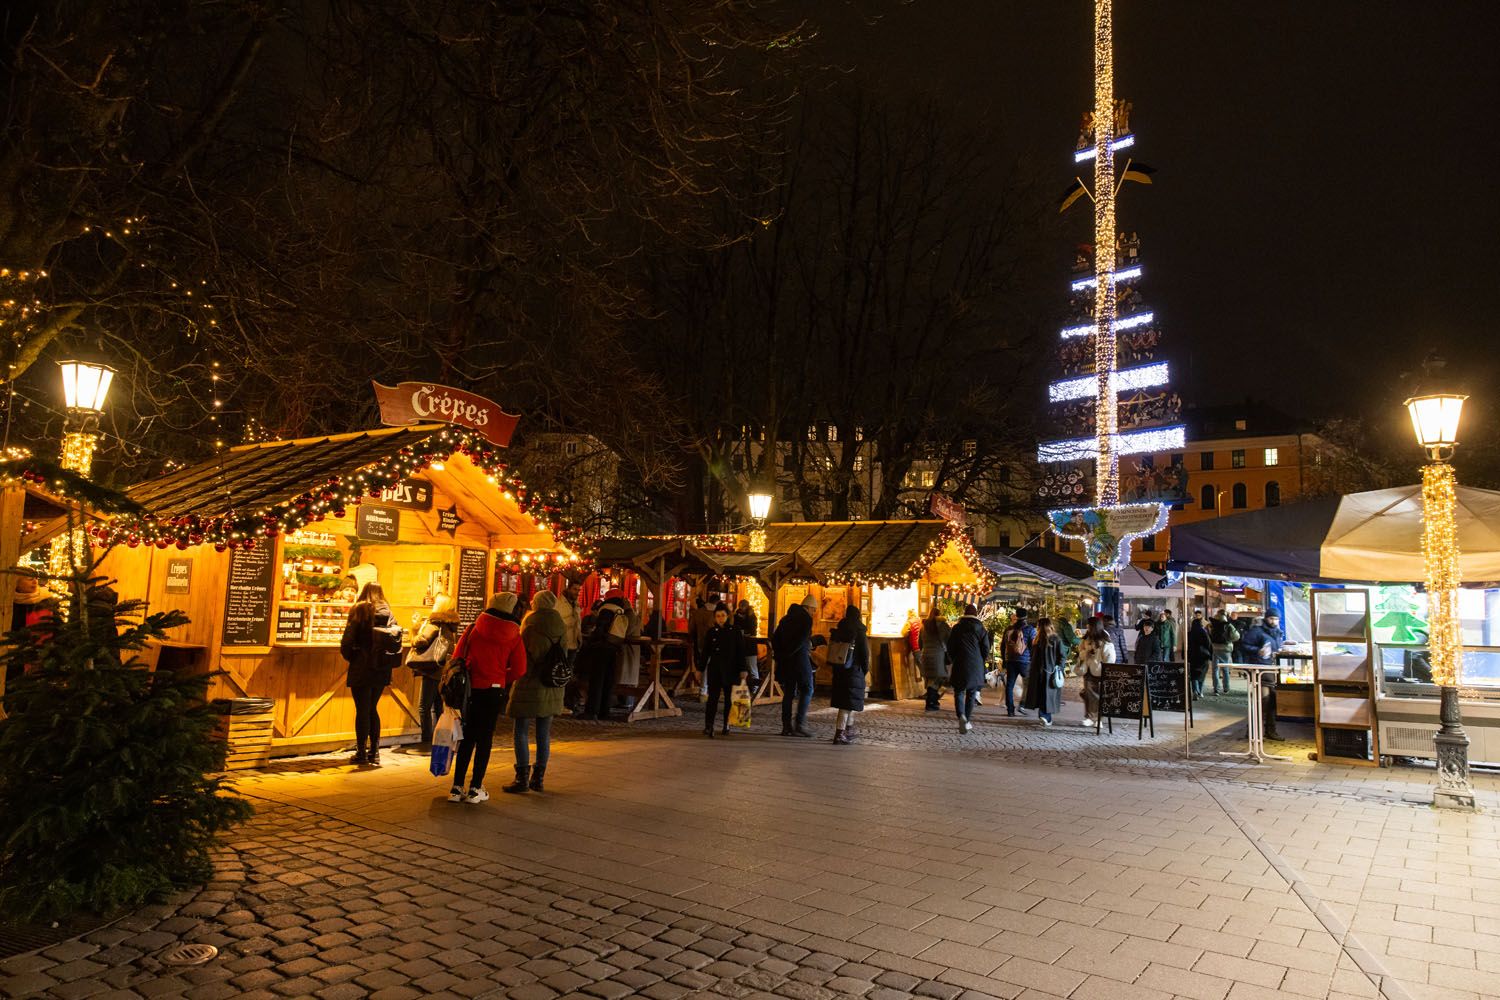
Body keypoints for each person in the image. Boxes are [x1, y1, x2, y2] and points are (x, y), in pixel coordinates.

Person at [449, 593, 526, 803]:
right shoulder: (514, 634)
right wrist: (501, 677)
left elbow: (457, 656)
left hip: (471, 690)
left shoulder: (474, 627)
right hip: (494, 691)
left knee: (467, 737)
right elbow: (520, 669)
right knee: (485, 739)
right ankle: (475, 788)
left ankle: (456, 788)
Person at [505, 591, 566, 793]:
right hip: (552, 684)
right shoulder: (561, 625)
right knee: (543, 733)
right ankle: (538, 778)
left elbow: (521, 655)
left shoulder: (530, 624)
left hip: (530, 683)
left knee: (521, 730)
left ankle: (521, 778)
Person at [340, 582, 396, 766]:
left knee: (362, 709)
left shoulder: (359, 610)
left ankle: (361, 752)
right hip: (382, 667)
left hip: (362, 667)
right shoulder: (388, 612)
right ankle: (375, 752)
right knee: (372, 708)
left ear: (364, 592)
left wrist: (353, 657)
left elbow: (347, 641)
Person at [408, 595, 460, 747]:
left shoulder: (434, 624)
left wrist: (415, 628)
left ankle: (426, 741)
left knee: (424, 707)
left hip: (430, 670)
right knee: (438, 707)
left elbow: (420, 641)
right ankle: (439, 739)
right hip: (441, 670)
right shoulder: (450, 626)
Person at [772, 594, 824, 737]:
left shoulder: (785, 618)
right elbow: (801, 641)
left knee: (789, 692)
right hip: (799, 660)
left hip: (785, 662)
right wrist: (797, 650)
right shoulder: (806, 619)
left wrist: (780, 655)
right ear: (807, 608)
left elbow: (775, 638)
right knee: (808, 688)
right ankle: (800, 724)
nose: (814, 613)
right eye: (813, 610)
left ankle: (786, 726)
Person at [577, 589, 632, 721]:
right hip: (614, 647)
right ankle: (604, 710)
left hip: (601, 647)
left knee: (597, 680)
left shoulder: (606, 609)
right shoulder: (620, 609)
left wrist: (592, 641)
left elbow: (600, 629)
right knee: (608, 680)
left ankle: (592, 710)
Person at [700, 603, 748, 737]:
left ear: (728, 616)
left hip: (731, 669)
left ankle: (726, 724)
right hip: (715, 669)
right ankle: (709, 725)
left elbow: (740, 651)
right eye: (718, 616)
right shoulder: (711, 632)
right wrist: (700, 668)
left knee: (729, 699)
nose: (720, 618)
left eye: (723, 615)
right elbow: (705, 652)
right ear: (715, 617)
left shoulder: (735, 631)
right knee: (712, 699)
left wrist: (743, 669)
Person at [945, 603, 990, 735]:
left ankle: (961, 716)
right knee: (971, 693)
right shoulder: (981, 629)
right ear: (976, 614)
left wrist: (953, 658)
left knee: (959, 691)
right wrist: (981, 659)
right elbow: (986, 648)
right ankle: (967, 719)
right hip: (975, 664)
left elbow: (950, 646)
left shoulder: (957, 628)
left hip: (960, 662)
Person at [829, 605, 870, 745]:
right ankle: (840, 733)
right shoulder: (859, 631)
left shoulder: (840, 629)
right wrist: (865, 669)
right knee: (847, 704)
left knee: (847, 702)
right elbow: (864, 653)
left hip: (840, 670)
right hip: (854, 670)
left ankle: (848, 730)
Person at [1240, 612, 1285, 740]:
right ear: (1266, 618)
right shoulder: (1256, 631)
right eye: (1271, 618)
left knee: (1272, 702)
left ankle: (1270, 730)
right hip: (1260, 670)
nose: (1274, 621)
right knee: (1262, 701)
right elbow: (1244, 645)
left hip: (1271, 671)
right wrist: (1257, 650)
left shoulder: (1276, 632)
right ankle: (1253, 731)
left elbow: (1276, 647)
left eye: (1276, 618)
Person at [1025, 617, 1065, 727]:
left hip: (1047, 672)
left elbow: (1061, 656)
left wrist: (1058, 668)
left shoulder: (1053, 640)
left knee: (1045, 695)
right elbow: (1062, 656)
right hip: (1043, 672)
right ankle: (1045, 717)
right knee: (1044, 695)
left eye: (1038, 626)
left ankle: (1045, 717)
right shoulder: (1038, 640)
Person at [1077, 617, 1116, 726]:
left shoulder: (1104, 639)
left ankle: (1098, 719)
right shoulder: (1086, 639)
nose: (1087, 627)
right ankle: (1090, 717)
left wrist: (1105, 669)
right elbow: (1080, 652)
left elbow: (1110, 657)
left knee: (1099, 696)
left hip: (1099, 671)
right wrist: (1086, 653)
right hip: (1087, 670)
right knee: (1088, 695)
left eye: (1088, 625)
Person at [999, 609, 1036, 717]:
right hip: (1025, 661)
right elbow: (1033, 646)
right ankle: (1022, 704)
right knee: (1028, 684)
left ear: (1016, 616)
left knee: (1009, 685)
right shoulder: (1030, 629)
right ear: (1026, 616)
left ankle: (1010, 709)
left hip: (1010, 660)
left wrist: (1004, 659)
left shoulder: (1009, 629)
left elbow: (1003, 646)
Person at [918, 606, 952, 711]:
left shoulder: (923, 626)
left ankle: (933, 700)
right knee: (939, 678)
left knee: (930, 679)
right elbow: (950, 640)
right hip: (938, 656)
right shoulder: (943, 626)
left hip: (925, 655)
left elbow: (920, 643)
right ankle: (931, 702)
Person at [1208, 609, 1240, 695]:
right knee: (1225, 669)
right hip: (1225, 649)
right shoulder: (1228, 625)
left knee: (1215, 669)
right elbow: (1236, 637)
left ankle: (1216, 689)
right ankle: (1226, 688)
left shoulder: (1212, 624)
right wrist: (1228, 640)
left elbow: (1209, 635)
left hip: (1215, 648)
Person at [733, 598, 760, 688]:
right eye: (740, 606)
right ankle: (742, 686)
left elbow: (753, 630)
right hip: (740, 645)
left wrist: (743, 632)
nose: (741, 608)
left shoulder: (751, 616)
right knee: (741, 667)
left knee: (752, 667)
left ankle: (755, 687)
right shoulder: (736, 615)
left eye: (742, 606)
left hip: (749, 645)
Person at [1187, 611, 1213, 699]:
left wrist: (1184, 656)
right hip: (1203, 657)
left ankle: (1195, 690)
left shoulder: (1189, 634)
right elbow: (1209, 645)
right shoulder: (1204, 633)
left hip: (1192, 656)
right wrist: (1211, 656)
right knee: (1202, 674)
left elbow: (1185, 646)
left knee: (1193, 675)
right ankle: (1200, 691)